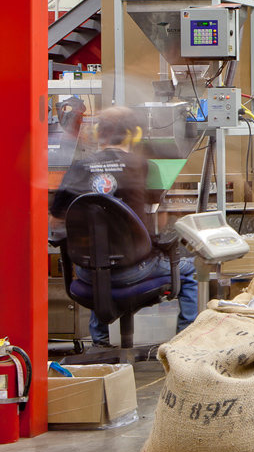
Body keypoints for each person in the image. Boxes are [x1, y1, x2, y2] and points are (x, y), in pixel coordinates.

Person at [50, 106, 199, 347]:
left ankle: (100, 345)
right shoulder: (143, 166)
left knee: (100, 264)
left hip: (87, 276)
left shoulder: (77, 168)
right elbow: (158, 219)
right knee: (188, 269)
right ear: (134, 135)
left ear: (98, 133)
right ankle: (186, 343)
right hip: (134, 270)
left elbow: (55, 221)